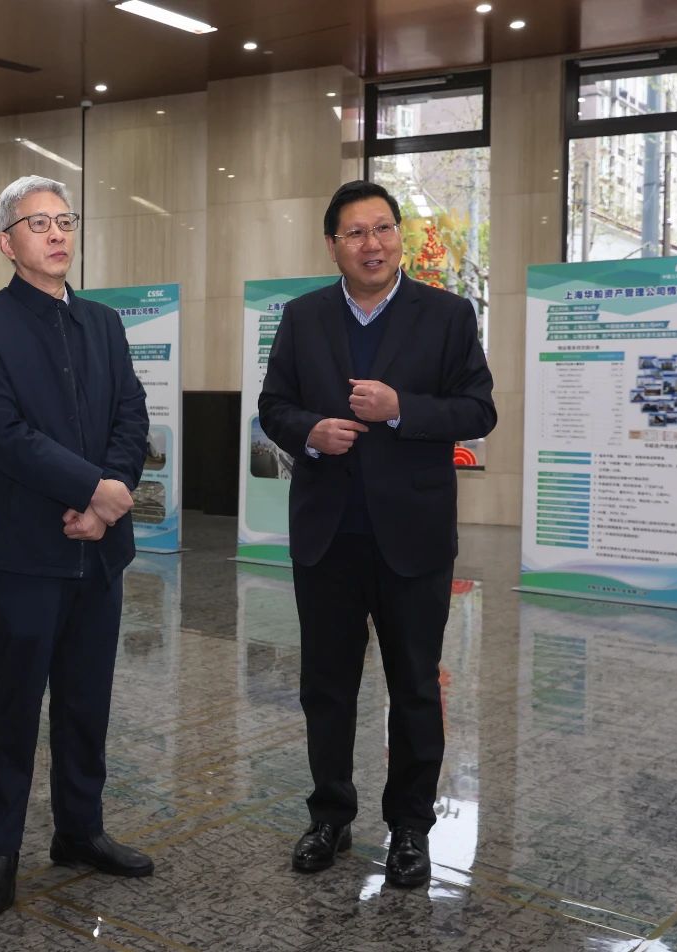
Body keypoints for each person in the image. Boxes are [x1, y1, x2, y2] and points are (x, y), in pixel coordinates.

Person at [257, 180, 496, 888]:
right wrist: (311, 432)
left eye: (384, 228)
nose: (373, 244)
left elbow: (478, 410)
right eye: (356, 233)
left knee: (415, 686)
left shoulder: (447, 315)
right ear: (332, 245)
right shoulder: (303, 317)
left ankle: (411, 828)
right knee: (326, 686)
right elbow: (274, 405)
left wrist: (400, 409)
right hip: (327, 536)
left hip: (413, 537)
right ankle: (329, 815)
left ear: (399, 236)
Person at [0, 175, 153, 914]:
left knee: (86, 701)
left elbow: (131, 415)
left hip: (99, 550)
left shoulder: (103, 322)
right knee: (15, 705)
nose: (57, 233)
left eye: (65, 220)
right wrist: (94, 489)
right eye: (38, 224)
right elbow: (3, 434)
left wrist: (109, 498)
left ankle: (80, 831)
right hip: (24, 553)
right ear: (7, 244)